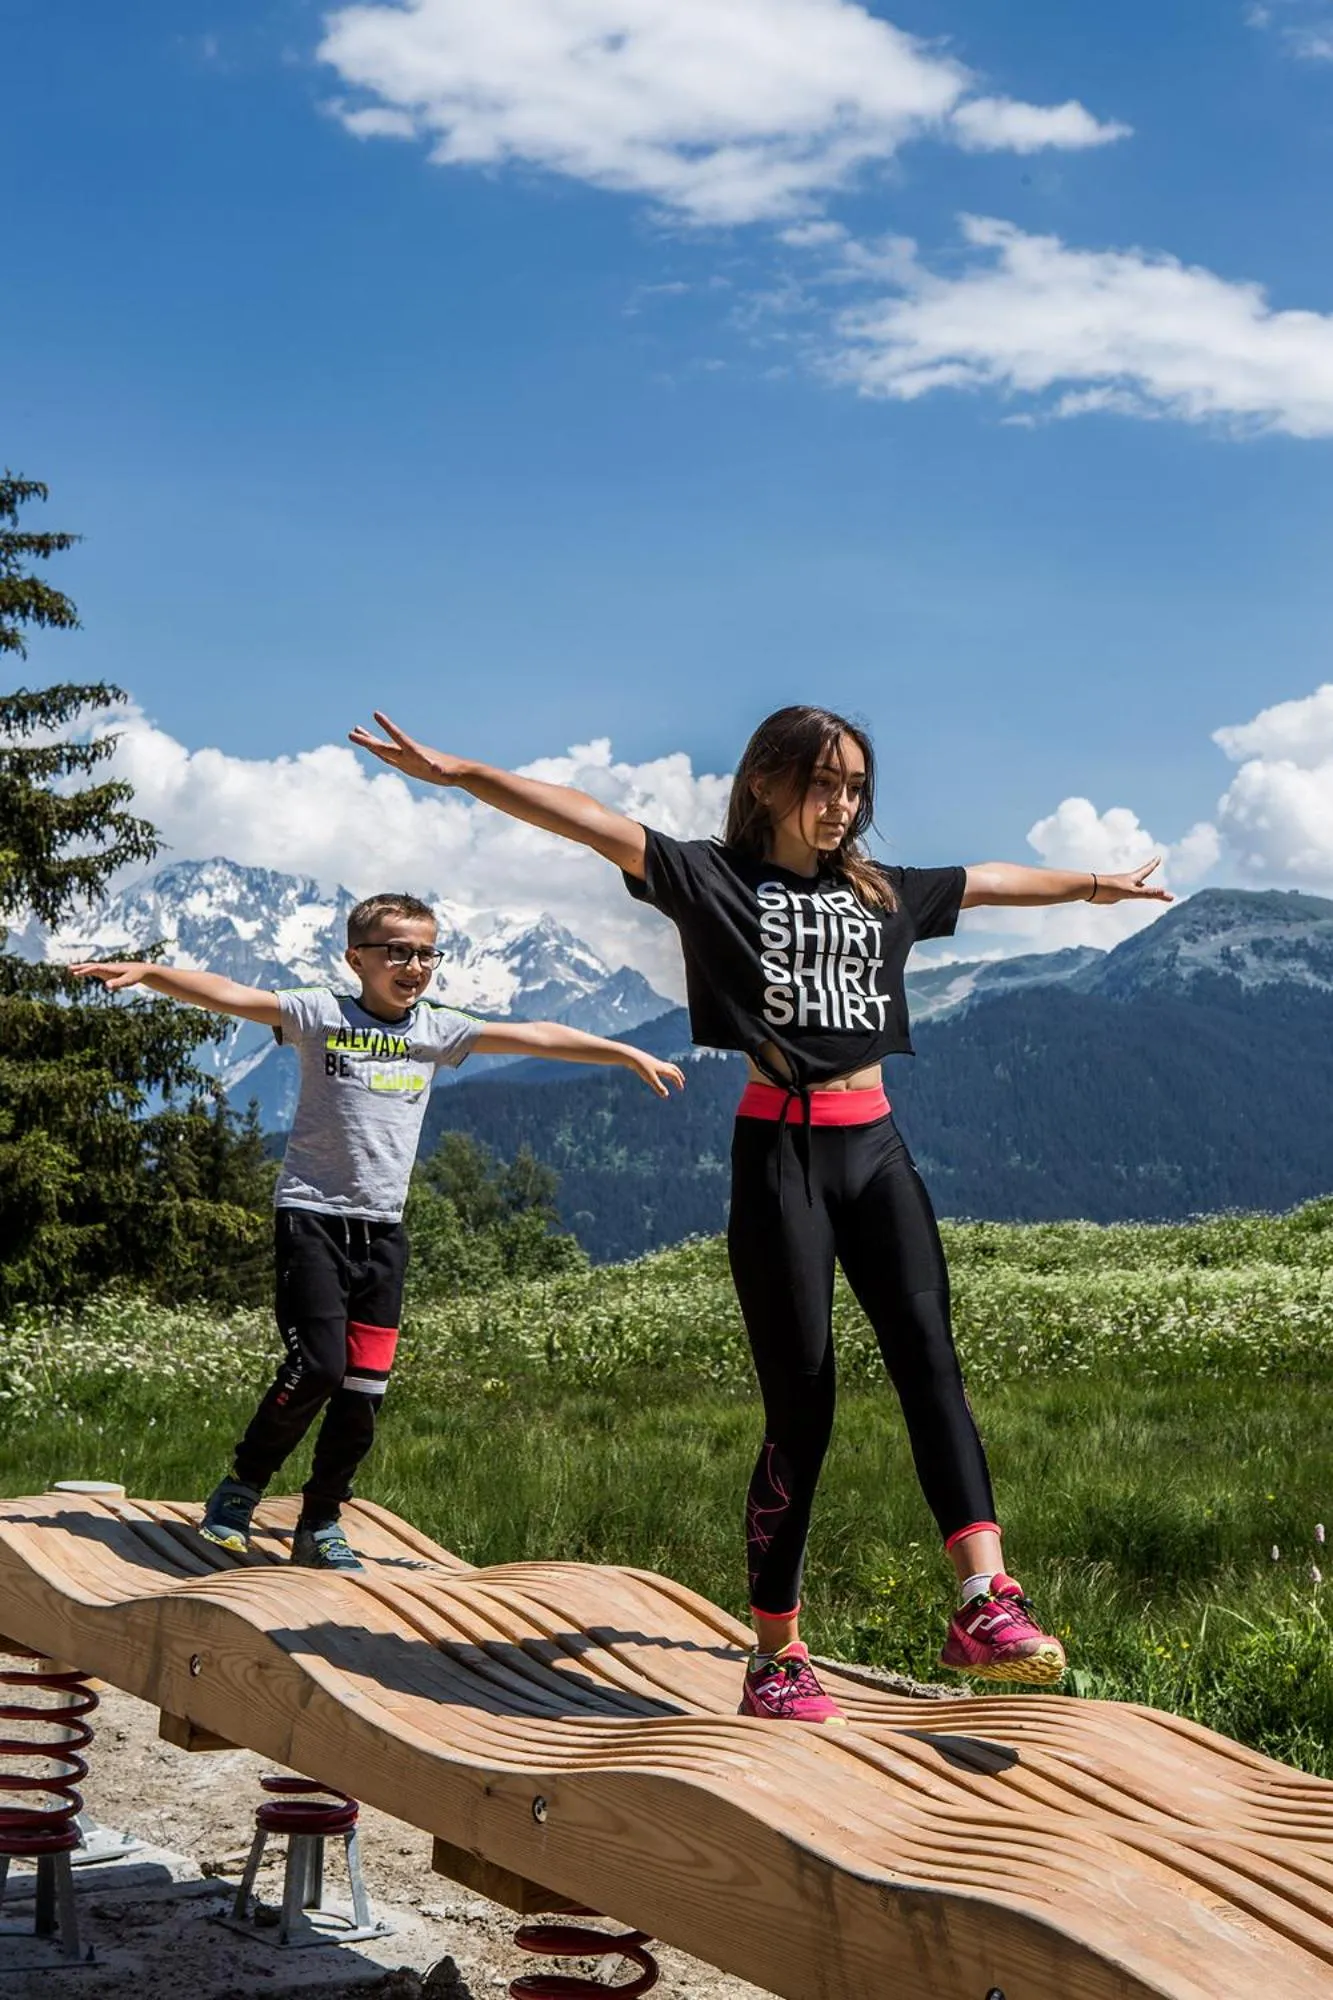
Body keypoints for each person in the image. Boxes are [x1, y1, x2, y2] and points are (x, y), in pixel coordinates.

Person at [348, 707, 1170, 1719]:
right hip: (779, 1154)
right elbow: (588, 820)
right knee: (804, 1407)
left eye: (857, 787)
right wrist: (459, 771)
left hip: (876, 1148)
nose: (842, 805)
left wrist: (1096, 885)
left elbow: (990, 879)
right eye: (824, 784)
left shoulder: (880, 890)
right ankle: (775, 1652)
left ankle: (983, 1597)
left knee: (929, 1360)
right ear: (769, 783)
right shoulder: (713, 879)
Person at [71, 891, 684, 1570]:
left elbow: (536, 1034)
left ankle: (322, 1519)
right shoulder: (318, 1013)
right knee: (319, 1367)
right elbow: (231, 994)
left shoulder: (436, 1029)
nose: (413, 965)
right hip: (311, 1218)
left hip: (383, 1232)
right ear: (355, 958)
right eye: (396, 951)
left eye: (425, 952)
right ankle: (239, 1490)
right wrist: (152, 974)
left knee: (364, 1390)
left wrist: (625, 1053)